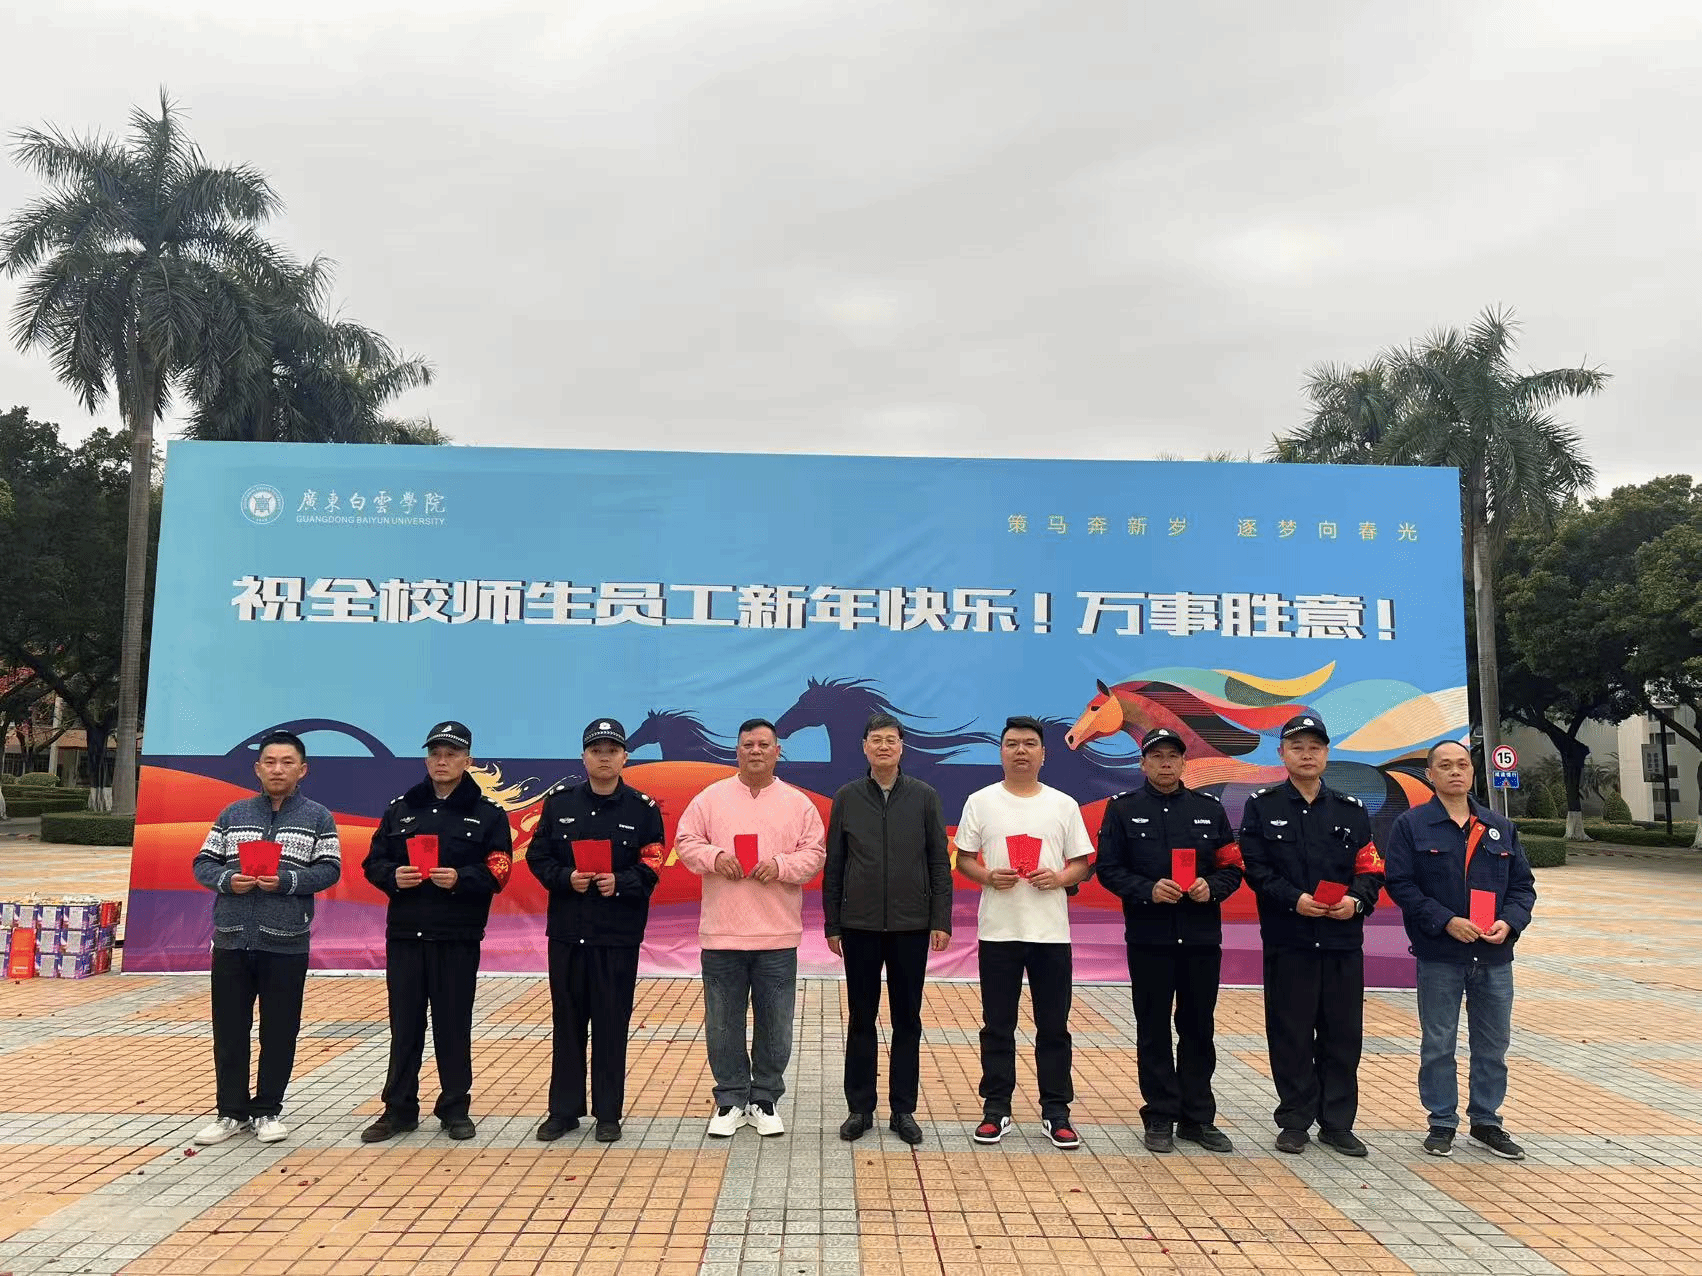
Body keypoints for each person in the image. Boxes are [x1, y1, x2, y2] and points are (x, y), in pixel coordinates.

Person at [359, 720, 513, 1142]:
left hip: (457, 936)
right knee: (405, 1026)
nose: (441, 761)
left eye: (451, 754)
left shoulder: (487, 813)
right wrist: (394, 876)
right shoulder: (401, 808)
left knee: (453, 1024)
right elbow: (373, 862)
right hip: (406, 935)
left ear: (468, 760)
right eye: (435, 754)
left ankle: (455, 1108)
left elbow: (500, 870)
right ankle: (399, 1109)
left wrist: (461, 878)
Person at [1384, 740, 1537, 1160]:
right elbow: (1400, 884)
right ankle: (1442, 1122)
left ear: (1472, 772)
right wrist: (1445, 920)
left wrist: (1510, 922)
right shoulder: (1411, 825)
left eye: (1463, 765)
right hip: (1440, 953)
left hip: (1493, 956)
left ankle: (1487, 1122)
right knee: (1438, 1042)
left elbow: (1522, 887)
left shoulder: (1498, 826)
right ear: (1430, 775)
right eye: (1446, 766)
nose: (1456, 772)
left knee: (1493, 1045)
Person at [1240, 714, 1384, 1157]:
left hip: (1342, 942)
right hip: (1290, 938)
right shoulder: (1262, 806)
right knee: (1292, 1033)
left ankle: (1337, 1123)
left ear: (1326, 754)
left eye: (1315, 747)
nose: (1307, 755)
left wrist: (1356, 901)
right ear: (1282, 754)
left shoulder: (1351, 810)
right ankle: (1295, 1120)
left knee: (1343, 1035)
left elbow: (1371, 868)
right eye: (1297, 747)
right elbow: (1255, 868)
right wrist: (1294, 899)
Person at [1095, 726, 1243, 1154]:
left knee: (1198, 1028)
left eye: (1173, 756)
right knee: (1153, 1028)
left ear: (1183, 763)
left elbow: (1232, 867)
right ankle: (1159, 1114)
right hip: (1150, 938)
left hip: (1200, 939)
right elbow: (1109, 869)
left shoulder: (1209, 809)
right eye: (1157, 756)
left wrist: (1211, 887)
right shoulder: (1123, 809)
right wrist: (1147, 889)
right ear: (1143, 763)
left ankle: (1197, 1118)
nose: (1165, 763)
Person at [676, 718, 826, 1138]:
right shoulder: (710, 798)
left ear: (778, 751)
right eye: (747, 745)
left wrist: (781, 866)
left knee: (775, 1023)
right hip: (722, 933)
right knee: (722, 1022)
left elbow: (815, 854)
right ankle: (729, 1099)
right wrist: (715, 857)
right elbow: (686, 842)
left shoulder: (798, 803)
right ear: (737, 751)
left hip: (777, 934)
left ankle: (765, 1098)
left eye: (763, 744)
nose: (755, 751)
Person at [190, 729, 342, 1146]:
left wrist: (287, 882)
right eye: (270, 762)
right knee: (229, 1031)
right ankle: (230, 1112)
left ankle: (268, 1110)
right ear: (257, 768)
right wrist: (228, 880)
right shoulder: (233, 814)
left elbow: (330, 869)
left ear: (303, 770)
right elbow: (202, 863)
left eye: (287, 762)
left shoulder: (318, 817)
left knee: (279, 1031)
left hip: (287, 941)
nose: (278, 770)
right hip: (232, 940)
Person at [954, 715, 1095, 1149]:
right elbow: (964, 858)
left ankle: (1057, 1112)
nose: (1020, 751)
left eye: (1029, 744)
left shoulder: (1063, 804)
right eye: (1012, 743)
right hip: (999, 932)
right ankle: (996, 1108)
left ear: (1043, 754)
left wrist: (1059, 877)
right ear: (1001, 752)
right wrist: (986, 876)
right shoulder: (980, 801)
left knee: (1054, 1027)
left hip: (1050, 934)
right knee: (998, 1025)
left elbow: (1082, 863)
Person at [526, 718, 665, 1144]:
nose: (604, 757)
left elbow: (653, 863)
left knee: (611, 1024)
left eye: (612, 750)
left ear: (625, 757)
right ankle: (563, 1112)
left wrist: (619, 882)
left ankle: (608, 1113)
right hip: (568, 933)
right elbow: (538, 857)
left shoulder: (643, 808)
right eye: (596, 750)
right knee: (567, 1024)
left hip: (616, 936)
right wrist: (565, 877)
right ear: (583, 757)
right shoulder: (559, 804)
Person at [824, 713, 953, 1146]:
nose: (883, 746)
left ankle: (903, 1110)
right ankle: (860, 1108)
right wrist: (833, 923)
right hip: (858, 925)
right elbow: (835, 865)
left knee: (907, 1020)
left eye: (891, 740)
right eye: (876, 739)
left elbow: (939, 862)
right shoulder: (846, 797)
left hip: (910, 925)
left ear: (902, 747)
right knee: (861, 1018)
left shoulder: (924, 796)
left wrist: (940, 919)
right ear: (864, 746)